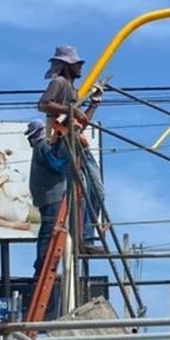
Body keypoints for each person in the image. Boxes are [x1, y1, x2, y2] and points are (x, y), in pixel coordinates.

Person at [37, 44, 104, 254]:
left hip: (76, 139)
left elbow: (81, 121)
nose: (80, 68)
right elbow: (43, 104)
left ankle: (87, 235)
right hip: (64, 141)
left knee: (97, 189)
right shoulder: (59, 83)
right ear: (67, 66)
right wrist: (70, 108)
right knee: (81, 190)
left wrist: (93, 104)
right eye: (76, 64)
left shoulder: (72, 90)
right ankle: (83, 238)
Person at [26, 120, 69, 273]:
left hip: (44, 195)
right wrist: (68, 160)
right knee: (49, 229)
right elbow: (56, 165)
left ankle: (42, 262)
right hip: (51, 194)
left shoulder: (40, 147)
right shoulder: (43, 146)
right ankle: (43, 263)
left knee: (47, 228)